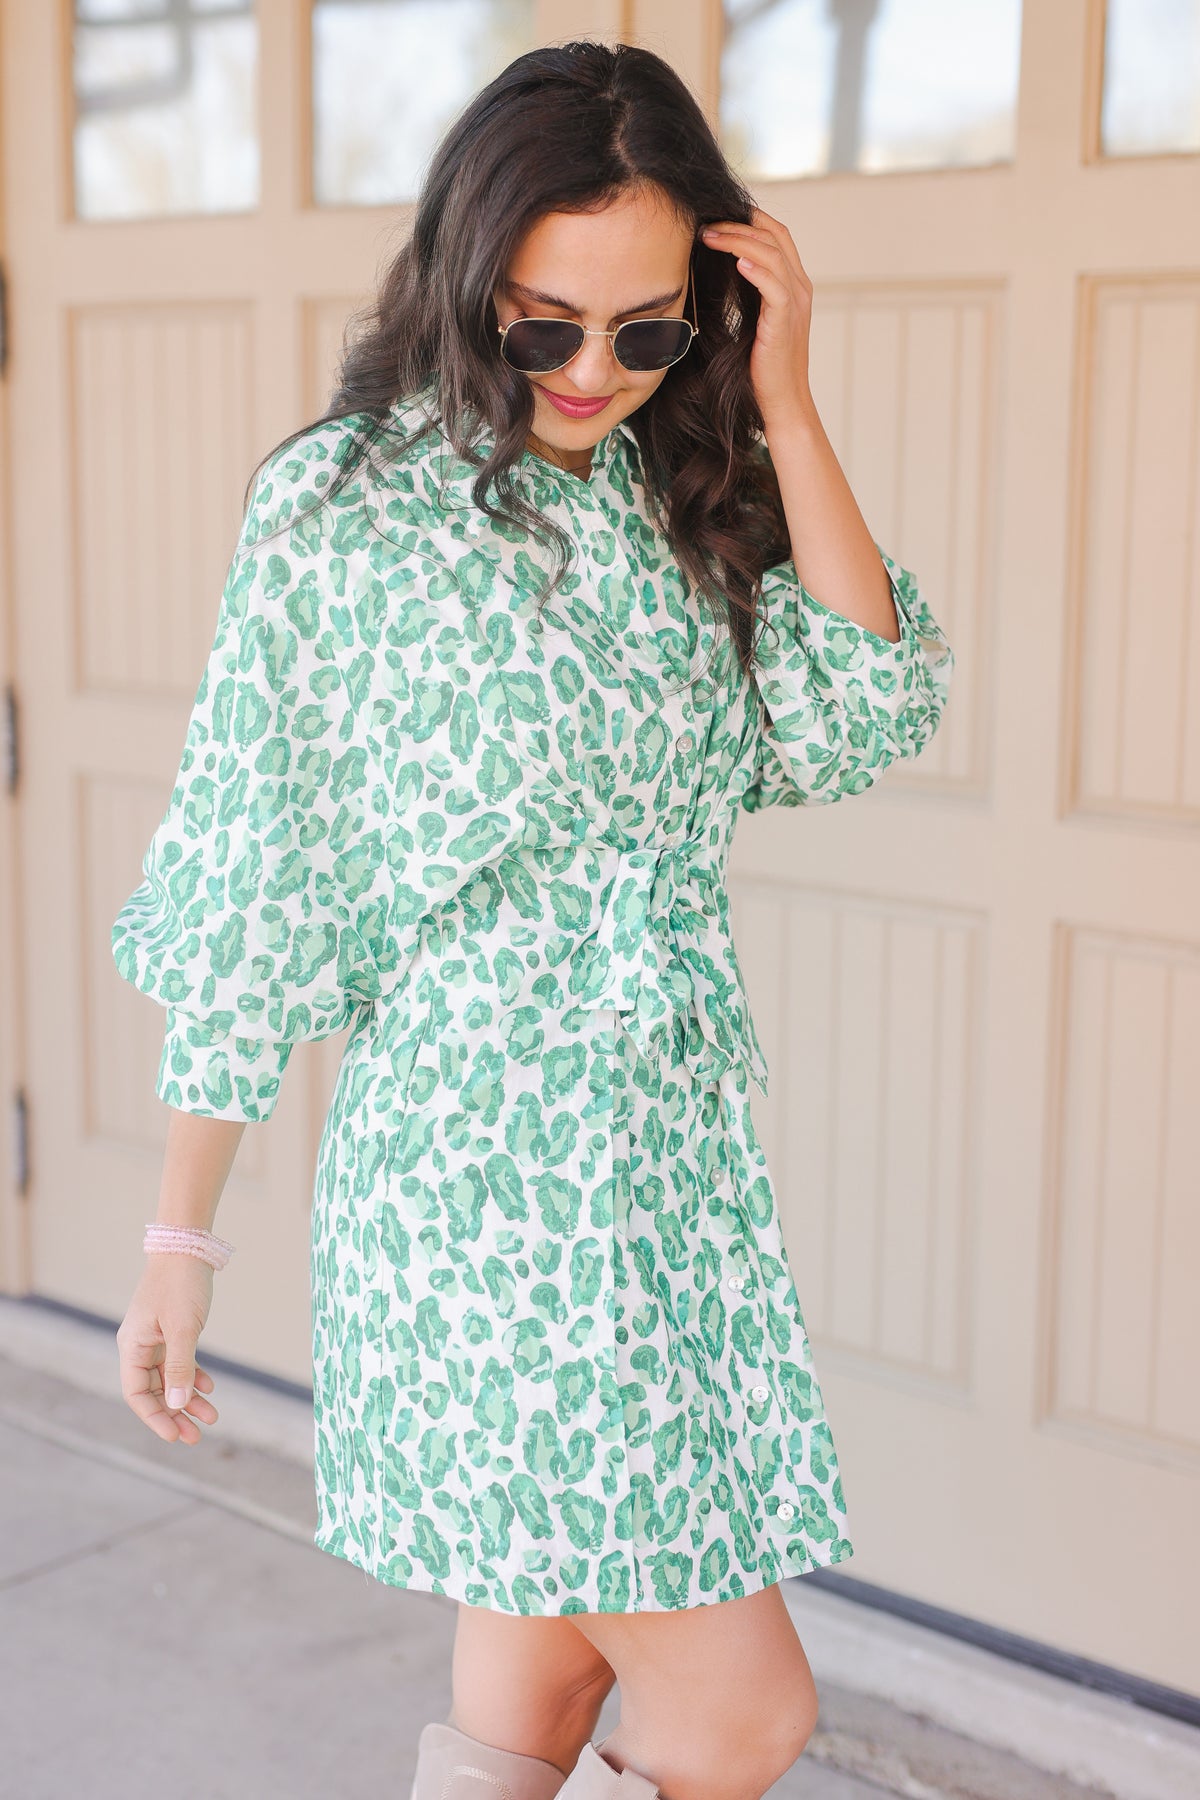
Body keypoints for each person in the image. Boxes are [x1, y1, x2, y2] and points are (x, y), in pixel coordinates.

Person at [111, 37, 954, 1800]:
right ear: (465, 279)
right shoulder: (345, 511)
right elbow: (257, 876)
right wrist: (180, 1237)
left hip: (661, 1170)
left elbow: (863, 708)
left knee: (539, 1685)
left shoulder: (670, 492)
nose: (590, 374)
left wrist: (786, 402)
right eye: (544, 327)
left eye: (647, 334)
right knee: (741, 1714)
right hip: (484, 1192)